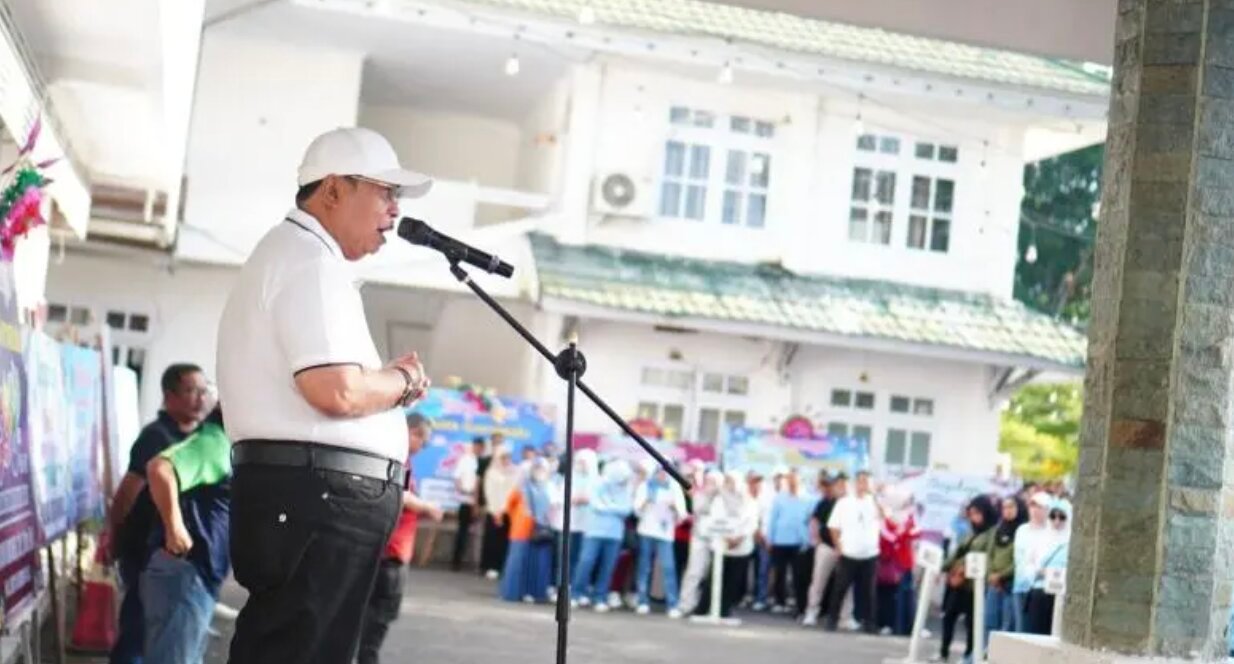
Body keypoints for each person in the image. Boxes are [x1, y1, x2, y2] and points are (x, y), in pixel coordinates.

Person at [216, 126, 433, 664]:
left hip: (312, 494)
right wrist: (403, 381)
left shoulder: (305, 258)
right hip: (315, 495)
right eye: (385, 192)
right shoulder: (308, 261)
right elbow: (336, 389)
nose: (394, 211)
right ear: (333, 189)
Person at [107, 364, 210, 664]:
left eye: (203, 391)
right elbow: (127, 493)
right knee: (137, 630)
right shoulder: (156, 437)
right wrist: (116, 537)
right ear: (169, 396)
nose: (200, 398)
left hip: (178, 558)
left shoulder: (201, 439)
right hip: (144, 550)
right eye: (191, 391)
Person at [141, 407, 230, 664]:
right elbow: (160, 469)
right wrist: (174, 527)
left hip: (195, 573)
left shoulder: (225, 444)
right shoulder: (215, 443)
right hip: (186, 570)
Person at [356, 413, 444, 664]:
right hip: (390, 549)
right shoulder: (399, 457)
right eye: (422, 439)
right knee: (381, 613)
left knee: (371, 611)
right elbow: (401, 494)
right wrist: (427, 506)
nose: (422, 446)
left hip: (389, 546)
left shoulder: (395, 455)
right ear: (412, 431)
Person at [935, 496, 998, 663]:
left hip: (975, 586)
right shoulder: (970, 532)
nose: (973, 517)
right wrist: (941, 567)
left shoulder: (992, 532)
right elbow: (958, 552)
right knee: (949, 616)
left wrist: (965, 565)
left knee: (972, 623)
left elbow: (987, 556)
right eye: (971, 513)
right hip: (959, 583)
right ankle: (943, 653)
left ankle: (968, 656)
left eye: (977, 513)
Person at [570, 460, 634, 611]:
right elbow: (596, 505)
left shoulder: (626, 489)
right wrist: (615, 509)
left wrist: (609, 508)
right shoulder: (598, 484)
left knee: (608, 567)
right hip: (594, 531)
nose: (625, 479)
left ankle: (600, 596)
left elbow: (627, 510)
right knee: (586, 562)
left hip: (615, 534)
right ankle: (575, 594)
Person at [826, 470, 881, 633]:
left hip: (870, 554)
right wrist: (838, 547)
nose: (863, 484)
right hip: (849, 553)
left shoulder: (874, 502)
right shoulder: (844, 502)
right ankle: (832, 620)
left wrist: (876, 496)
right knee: (840, 589)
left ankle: (869, 623)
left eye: (867, 481)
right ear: (856, 483)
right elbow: (833, 526)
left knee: (869, 592)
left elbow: (886, 516)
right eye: (861, 481)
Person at [633, 462, 687, 617]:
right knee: (644, 567)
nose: (663, 475)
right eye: (660, 472)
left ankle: (673, 603)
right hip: (646, 530)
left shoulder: (674, 487)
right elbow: (636, 510)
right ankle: (642, 601)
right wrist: (647, 502)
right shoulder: (646, 486)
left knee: (668, 568)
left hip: (665, 533)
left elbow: (682, 514)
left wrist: (673, 507)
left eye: (666, 472)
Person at [499, 458, 555, 603]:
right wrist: (521, 519)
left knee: (535, 563)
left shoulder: (548, 487)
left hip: (540, 530)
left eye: (542, 469)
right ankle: (512, 593)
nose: (539, 472)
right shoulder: (521, 488)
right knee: (517, 562)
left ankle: (532, 593)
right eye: (537, 469)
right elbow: (509, 507)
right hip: (521, 530)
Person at [766, 469, 811, 614]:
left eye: (795, 479)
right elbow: (773, 519)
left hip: (799, 542)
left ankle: (800, 605)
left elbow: (810, 522)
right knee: (780, 573)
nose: (792, 482)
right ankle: (780, 601)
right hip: (780, 540)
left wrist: (807, 540)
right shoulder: (779, 498)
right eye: (790, 479)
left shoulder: (808, 499)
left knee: (799, 576)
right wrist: (770, 539)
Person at [877, 486, 920, 636]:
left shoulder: (910, 517)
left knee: (907, 597)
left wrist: (903, 534)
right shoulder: (886, 519)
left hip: (906, 563)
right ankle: (890, 625)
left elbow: (915, 534)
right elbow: (889, 538)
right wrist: (902, 534)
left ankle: (908, 627)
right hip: (891, 565)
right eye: (905, 501)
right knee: (890, 598)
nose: (908, 504)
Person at [1024, 499, 1071, 635]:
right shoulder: (1039, 538)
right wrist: (1038, 571)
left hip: (1061, 596)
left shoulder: (1072, 542)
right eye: (1053, 516)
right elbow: (1028, 564)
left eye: (1062, 517)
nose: (1057, 521)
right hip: (1039, 592)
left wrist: (1056, 574)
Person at [983, 496, 1027, 641]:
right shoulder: (997, 529)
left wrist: (1001, 575)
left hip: (1010, 584)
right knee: (990, 620)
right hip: (993, 583)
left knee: (1007, 624)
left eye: (1011, 507)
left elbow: (1020, 559)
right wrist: (991, 574)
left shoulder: (1023, 531)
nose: (1007, 511)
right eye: (1005, 507)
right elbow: (989, 554)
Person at [803, 473, 844, 627]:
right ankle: (811, 612)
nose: (828, 489)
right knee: (818, 581)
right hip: (826, 546)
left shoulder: (845, 503)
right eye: (825, 486)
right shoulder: (823, 503)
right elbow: (814, 521)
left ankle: (844, 617)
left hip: (844, 548)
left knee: (844, 586)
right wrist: (816, 540)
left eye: (830, 485)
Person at [1012, 492, 1054, 632]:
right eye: (1032, 507)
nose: (1035, 511)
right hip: (1022, 587)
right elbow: (1021, 560)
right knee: (1021, 630)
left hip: (1045, 590)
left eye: (1040, 507)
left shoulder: (1053, 532)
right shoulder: (1022, 530)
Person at [480, 445, 519, 579]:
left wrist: (506, 509)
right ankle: (491, 566)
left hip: (509, 512)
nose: (506, 460)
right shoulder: (492, 472)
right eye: (503, 457)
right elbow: (489, 493)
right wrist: (496, 511)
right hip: (494, 511)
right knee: (493, 540)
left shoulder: (514, 471)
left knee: (505, 540)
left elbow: (514, 492)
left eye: (508, 457)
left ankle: (503, 567)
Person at [451, 437, 484, 572]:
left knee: (477, 535)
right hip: (466, 500)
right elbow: (457, 478)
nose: (478, 448)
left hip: (480, 502)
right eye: (477, 446)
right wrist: (461, 491)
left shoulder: (483, 461)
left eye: (481, 447)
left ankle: (475, 563)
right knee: (462, 532)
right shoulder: (466, 460)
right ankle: (456, 562)